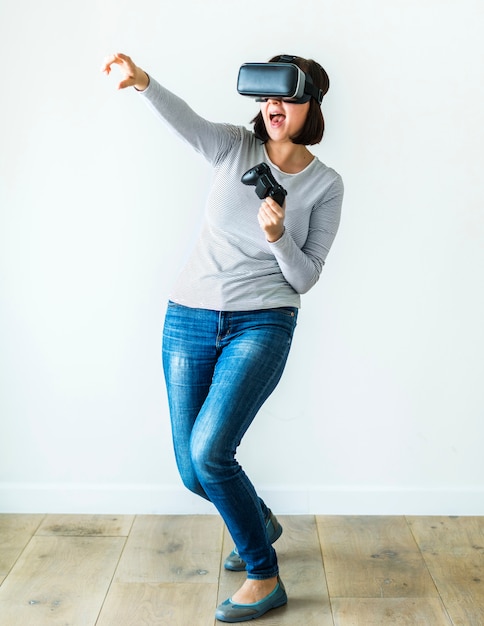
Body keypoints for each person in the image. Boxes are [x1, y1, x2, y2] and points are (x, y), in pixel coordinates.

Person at [102, 51, 343, 623]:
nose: (273, 108)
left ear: (311, 105)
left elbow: (305, 278)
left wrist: (281, 236)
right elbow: (183, 118)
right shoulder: (234, 146)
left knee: (212, 452)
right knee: (192, 471)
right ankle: (257, 517)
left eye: (285, 98)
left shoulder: (325, 185)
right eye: (265, 98)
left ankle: (264, 575)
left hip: (263, 321)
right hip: (187, 316)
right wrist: (142, 81)